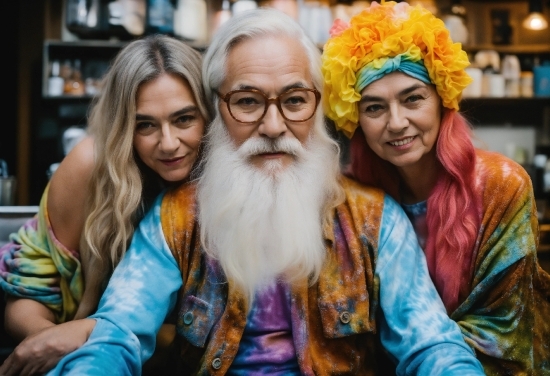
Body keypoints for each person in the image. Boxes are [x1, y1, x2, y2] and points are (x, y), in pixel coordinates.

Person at [26, 8, 487, 376]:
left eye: (294, 100)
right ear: (218, 108)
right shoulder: (176, 217)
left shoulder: (375, 219)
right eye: (247, 101)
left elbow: (432, 346)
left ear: (319, 104)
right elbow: (117, 336)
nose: (272, 127)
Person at [321, 1, 550, 375]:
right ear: (354, 118)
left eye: (413, 98)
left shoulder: (501, 186)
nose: (397, 123)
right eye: (374, 108)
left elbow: (503, 329)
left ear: (442, 99)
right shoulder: (355, 202)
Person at [0, 34, 209, 375]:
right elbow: (27, 295)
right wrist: (55, 340)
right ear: (123, 126)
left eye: (184, 119)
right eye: (145, 125)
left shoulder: (229, 182)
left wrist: (85, 331)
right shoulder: (90, 167)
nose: (169, 143)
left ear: (209, 115)